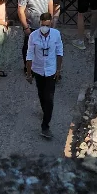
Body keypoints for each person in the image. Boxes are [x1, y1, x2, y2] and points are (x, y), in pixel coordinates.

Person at [26, 13, 64, 141]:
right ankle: (45, 111)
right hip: (38, 70)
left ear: (51, 23)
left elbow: (59, 52)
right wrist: (29, 73)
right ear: (40, 23)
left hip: (51, 70)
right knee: (41, 95)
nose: (45, 28)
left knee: (49, 98)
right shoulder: (33, 36)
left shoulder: (56, 34)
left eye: (47, 25)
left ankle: (45, 126)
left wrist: (58, 70)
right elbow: (29, 54)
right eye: (43, 25)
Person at [16, 0, 54, 72]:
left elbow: (50, 2)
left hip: (44, 24)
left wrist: (51, 18)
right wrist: (25, 27)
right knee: (29, 47)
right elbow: (20, 10)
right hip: (31, 26)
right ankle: (28, 67)